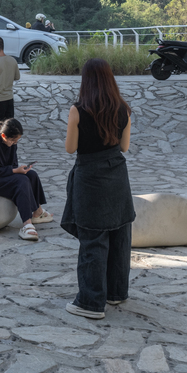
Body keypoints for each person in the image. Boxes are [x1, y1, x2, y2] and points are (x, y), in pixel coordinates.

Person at [60, 57, 134, 319]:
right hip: (117, 177)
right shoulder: (123, 109)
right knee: (119, 235)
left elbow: (70, 149)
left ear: (86, 81)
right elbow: (124, 147)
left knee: (93, 238)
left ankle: (90, 303)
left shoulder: (78, 110)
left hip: (90, 179)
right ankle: (116, 292)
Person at [0, 118, 53, 241]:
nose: (15, 143)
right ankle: (27, 224)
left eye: (17, 140)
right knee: (21, 181)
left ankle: (37, 212)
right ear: (4, 136)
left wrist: (20, 170)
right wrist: (15, 171)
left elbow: (13, 164)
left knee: (31, 175)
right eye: (13, 140)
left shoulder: (12, 143)